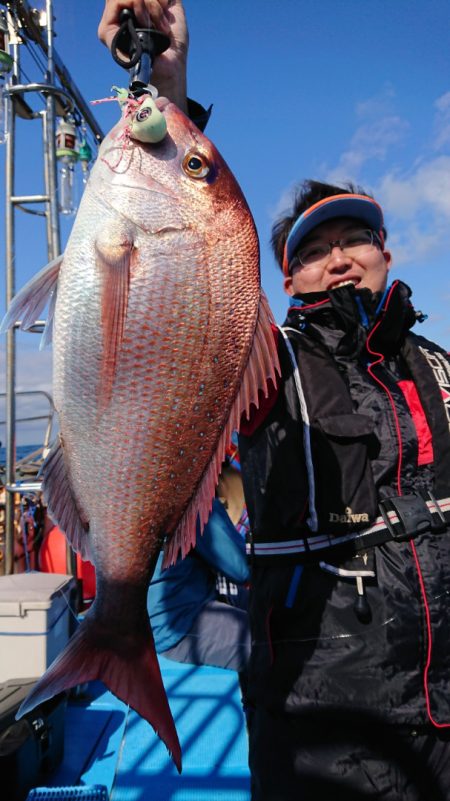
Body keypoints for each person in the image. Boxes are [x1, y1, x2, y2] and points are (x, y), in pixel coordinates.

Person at [99, 3, 450, 799]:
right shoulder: (268, 362)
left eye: (353, 240)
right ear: (284, 279)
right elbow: (182, 278)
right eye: (313, 251)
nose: (337, 261)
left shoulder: (438, 365)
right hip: (325, 730)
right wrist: (166, 85)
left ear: (386, 255)